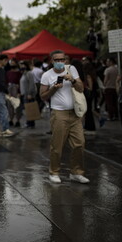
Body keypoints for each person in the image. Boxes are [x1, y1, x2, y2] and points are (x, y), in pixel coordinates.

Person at [40, 50, 89, 184]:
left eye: (62, 59)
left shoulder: (71, 69)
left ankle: (76, 172)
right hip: (58, 113)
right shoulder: (47, 75)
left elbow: (80, 88)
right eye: (57, 60)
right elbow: (43, 96)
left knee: (80, 143)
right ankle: (54, 172)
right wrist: (54, 88)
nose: (60, 62)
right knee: (57, 145)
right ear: (52, 61)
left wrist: (72, 79)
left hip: (74, 113)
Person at [19, 60, 37, 128]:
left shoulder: (29, 73)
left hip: (28, 94)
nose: (21, 66)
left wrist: (29, 93)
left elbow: (31, 84)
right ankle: (29, 122)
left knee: (29, 108)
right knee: (27, 109)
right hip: (24, 94)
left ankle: (30, 123)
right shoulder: (24, 73)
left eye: (22, 65)